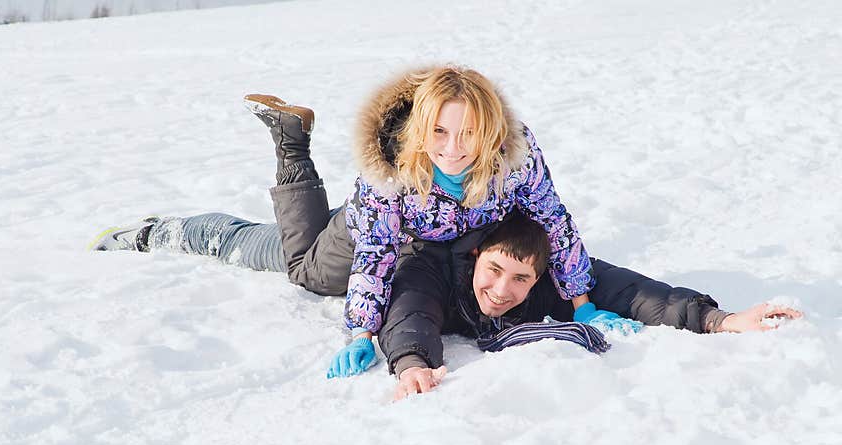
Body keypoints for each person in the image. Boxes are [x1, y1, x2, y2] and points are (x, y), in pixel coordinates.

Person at [89, 66, 802, 398]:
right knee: (305, 269)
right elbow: (375, 256)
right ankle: (273, 163)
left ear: (488, 128)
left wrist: (592, 300)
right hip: (387, 234)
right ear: (424, 128)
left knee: (362, 268)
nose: (454, 148)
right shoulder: (394, 172)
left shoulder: (515, 159)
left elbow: (556, 226)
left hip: (444, 247)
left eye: (467, 133)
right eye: (440, 132)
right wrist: (364, 332)